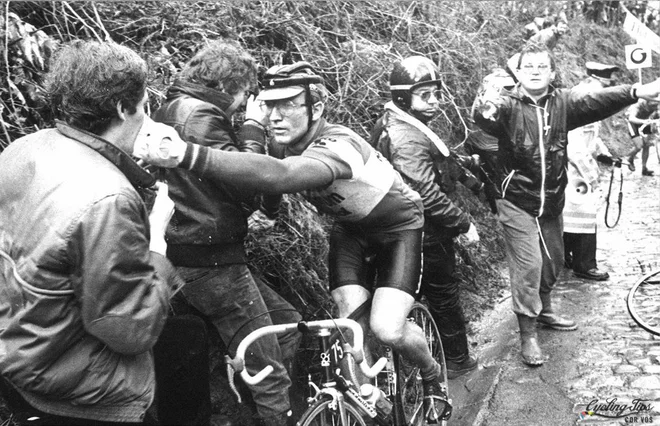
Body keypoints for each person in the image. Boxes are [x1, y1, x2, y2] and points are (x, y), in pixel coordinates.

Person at [139, 61, 452, 423]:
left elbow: (282, 175)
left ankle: (432, 378)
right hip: (351, 229)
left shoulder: (340, 144)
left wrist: (186, 155)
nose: (275, 115)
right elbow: (266, 172)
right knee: (349, 323)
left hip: (398, 227)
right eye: (268, 105)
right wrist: (269, 212)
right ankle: (370, 403)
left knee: (387, 328)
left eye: (287, 104)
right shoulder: (282, 141)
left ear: (316, 108)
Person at [0, 40, 179, 425]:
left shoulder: (23, 147)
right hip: (82, 395)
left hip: (21, 359)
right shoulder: (109, 197)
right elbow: (130, 329)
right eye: (145, 106)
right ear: (122, 107)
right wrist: (157, 244)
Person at [472, 41, 660, 367]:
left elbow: (596, 100)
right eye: (526, 66)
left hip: (551, 200)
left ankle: (544, 310)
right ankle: (527, 334)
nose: (534, 71)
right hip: (515, 199)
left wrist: (637, 91)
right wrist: (488, 90)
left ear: (552, 73)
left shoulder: (562, 103)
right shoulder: (505, 104)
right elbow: (481, 117)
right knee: (529, 266)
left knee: (554, 261)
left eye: (541, 66)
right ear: (517, 72)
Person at [150, 40, 301, 426]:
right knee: (270, 372)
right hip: (212, 262)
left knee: (287, 327)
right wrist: (252, 131)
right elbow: (246, 186)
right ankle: (272, 414)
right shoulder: (201, 115)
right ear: (232, 86)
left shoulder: (171, 107)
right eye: (246, 93)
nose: (246, 102)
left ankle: (257, 411)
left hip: (187, 256)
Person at [370, 56, 480, 379]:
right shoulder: (405, 135)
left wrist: (472, 178)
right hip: (424, 232)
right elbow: (426, 192)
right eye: (426, 96)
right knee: (443, 296)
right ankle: (457, 363)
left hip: (401, 228)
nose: (435, 102)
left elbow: (442, 161)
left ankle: (424, 364)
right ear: (405, 97)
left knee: (417, 299)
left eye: (436, 93)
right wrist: (463, 222)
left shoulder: (398, 122)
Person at [563, 62, 620, 281]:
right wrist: (593, 176)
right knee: (585, 214)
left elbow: (592, 137)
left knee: (572, 216)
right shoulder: (582, 100)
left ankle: (568, 257)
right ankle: (584, 265)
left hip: (578, 166)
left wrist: (604, 153)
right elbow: (575, 146)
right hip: (575, 168)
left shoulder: (586, 97)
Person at [625, 98, 659, 176]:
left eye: (656, 105)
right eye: (652, 106)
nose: (654, 107)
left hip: (645, 121)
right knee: (639, 145)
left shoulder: (656, 104)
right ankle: (630, 158)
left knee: (647, 145)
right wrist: (643, 121)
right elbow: (631, 118)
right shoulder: (638, 105)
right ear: (646, 102)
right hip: (633, 123)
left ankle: (644, 168)